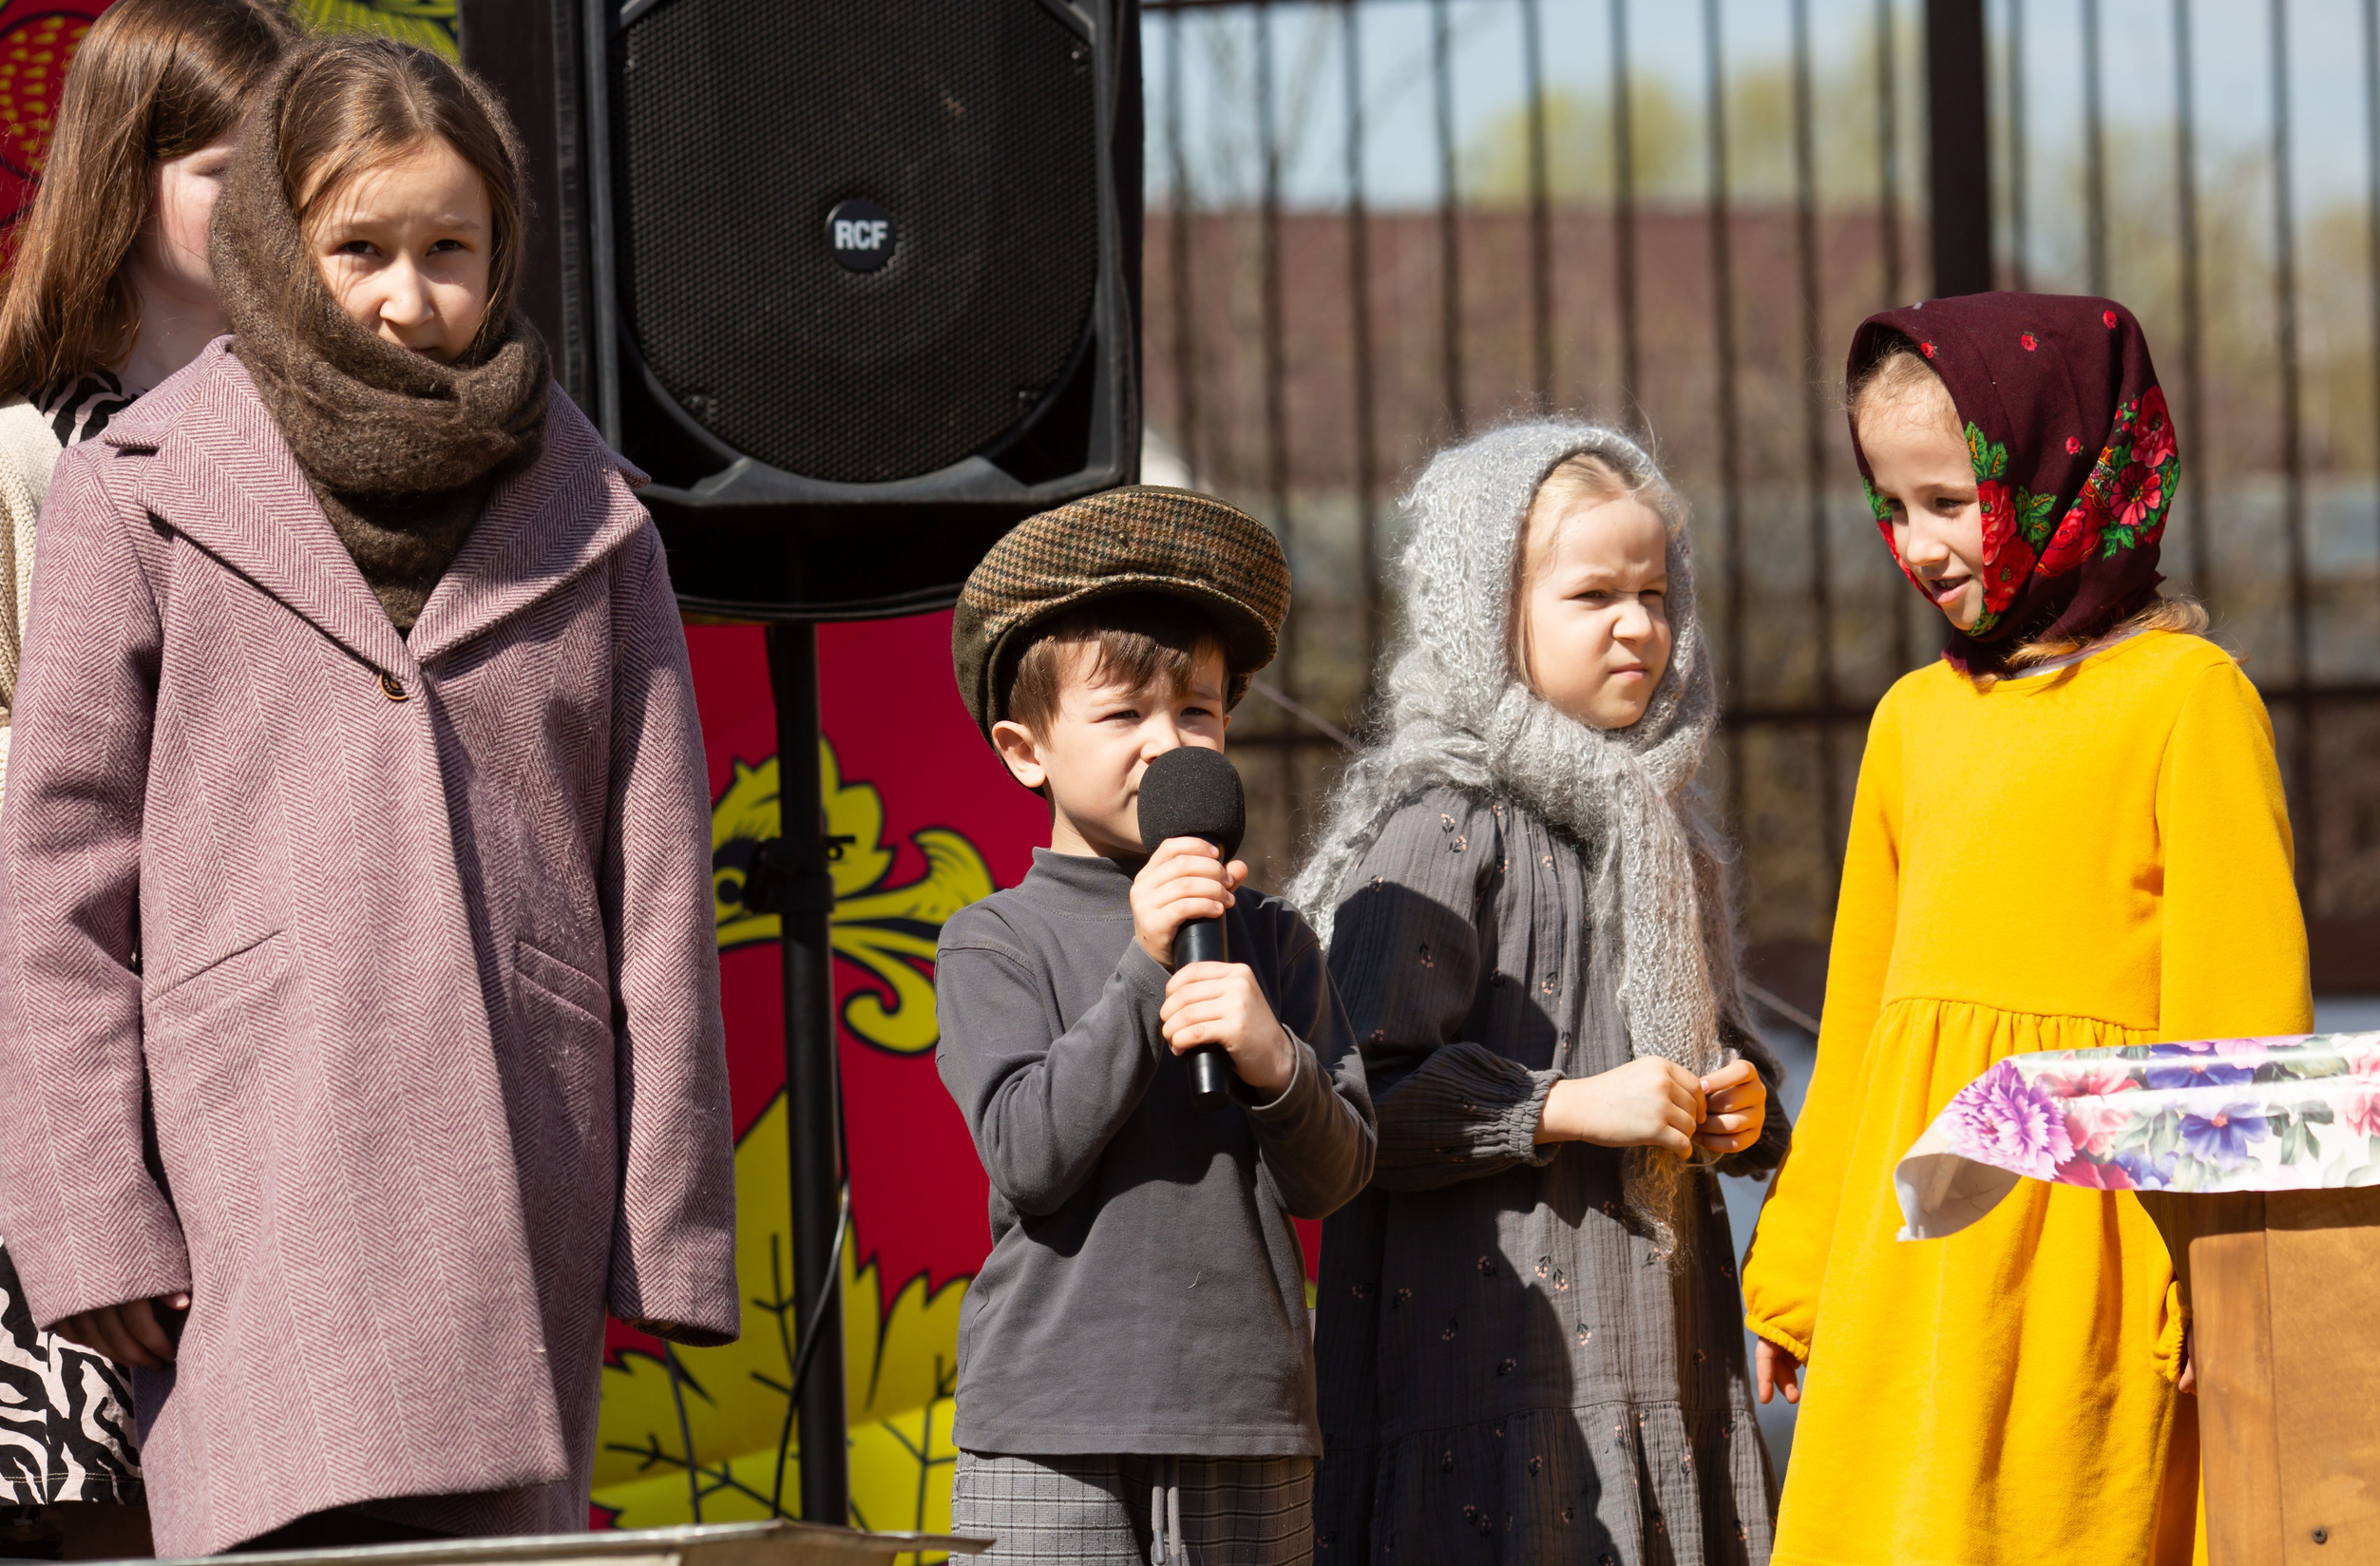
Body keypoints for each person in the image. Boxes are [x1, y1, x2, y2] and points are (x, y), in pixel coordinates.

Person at [0, 37, 738, 1556]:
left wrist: (666, 1222)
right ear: (279, 243)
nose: (408, 295)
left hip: (512, 1159)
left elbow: (657, 876)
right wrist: (93, 1212)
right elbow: (62, 890)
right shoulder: (136, 487)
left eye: (448, 249)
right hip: (246, 1171)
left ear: (503, 250)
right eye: (360, 249)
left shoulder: (593, 519)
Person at [1742, 294, 2310, 1565]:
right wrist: (1796, 1268)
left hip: (2092, 1266)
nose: (1919, 543)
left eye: (1949, 498)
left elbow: (2245, 1043)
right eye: (1892, 505)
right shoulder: (1909, 722)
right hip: (1906, 1263)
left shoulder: (2188, 700)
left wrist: (2239, 1287)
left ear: (2068, 468)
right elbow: (1860, 1026)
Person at [1290, 423, 1786, 1565]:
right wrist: (1562, 1105)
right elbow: (1354, 1104)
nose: (1638, 625)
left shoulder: (1665, 833)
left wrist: (1744, 1108)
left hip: (1666, 1353)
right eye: (1592, 594)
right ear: (1486, 612)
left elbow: (1719, 1044)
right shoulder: (1441, 823)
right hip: (1490, 1382)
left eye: (1656, 592)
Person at [0, 0, 300, 1560]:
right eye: (231, 169)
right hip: (99, 1111)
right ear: (123, 174)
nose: (279, 210)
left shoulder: (361, 464)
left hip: (319, 1101)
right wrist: (139, 719)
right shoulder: (17, 465)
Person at [935, 487, 1377, 1566]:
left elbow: (1337, 1176)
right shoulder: (993, 939)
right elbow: (1029, 1157)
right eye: (1124, 714)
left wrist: (1273, 1059)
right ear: (1025, 748)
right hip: (1050, 1425)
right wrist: (1141, 966)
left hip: (1245, 1416)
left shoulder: (1266, 937)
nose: (1166, 746)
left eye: (1197, 714)